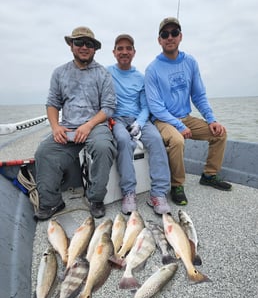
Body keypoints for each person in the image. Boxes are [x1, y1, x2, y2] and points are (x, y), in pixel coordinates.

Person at [145, 17, 232, 206]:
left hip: (186, 117)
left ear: (180, 36)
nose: (170, 37)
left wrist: (212, 120)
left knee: (219, 134)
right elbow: (156, 107)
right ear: (159, 40)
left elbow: (199, 95)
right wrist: (178, 125)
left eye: (174, 33)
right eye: (165, 34)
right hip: (163, 120)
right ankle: (177, 185)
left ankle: (209, 175)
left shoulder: (190, 62)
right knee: (176, 140)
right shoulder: (152, 69)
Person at [34, 26, 117, 220]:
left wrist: (88, 125)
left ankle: (96, 198)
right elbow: (52, 103)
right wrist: (56, 127)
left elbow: (108, 107)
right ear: (71, 46)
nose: (84, 47)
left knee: (104, 147)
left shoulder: (103, 74)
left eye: (89, 44)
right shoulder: (59, 73)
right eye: (79, 42)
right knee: (44, 152)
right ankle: (52, 202)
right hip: (68, 127)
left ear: (94, 49)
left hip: (95, 126)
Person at [107, 34, 171, 215]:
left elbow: (145, 106)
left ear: (134, 52)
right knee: (123, 140)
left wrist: (139, 123)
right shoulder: (106, 73)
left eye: (128, 48)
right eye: (120, 48)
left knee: (157, 140)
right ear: (114, 52)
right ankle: (129, 192)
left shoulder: (141, 77)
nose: (124, 52)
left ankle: (158, 194)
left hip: (139, 119)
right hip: (117, 119)